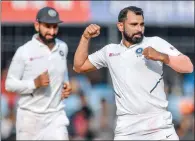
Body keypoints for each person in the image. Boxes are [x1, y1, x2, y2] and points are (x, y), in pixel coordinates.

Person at [73, 6, 193, 140]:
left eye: (142, 24)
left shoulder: (154, 42)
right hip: (127, 129)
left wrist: (163, 56)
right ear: (120, 26)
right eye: (134, 24)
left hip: (158, 126)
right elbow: (79, 66)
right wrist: (85, 37)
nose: (139, 29)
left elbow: (188, 66)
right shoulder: (109, 51)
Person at [5, 7, 72, 140]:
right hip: (29, 118)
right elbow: (9, 84)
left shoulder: (62, 47)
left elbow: (62, 72)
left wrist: (66, 84)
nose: (52, 32)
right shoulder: (24, 51)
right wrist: (34, 83)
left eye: (55, 27)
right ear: (37, 25)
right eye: (47, 27)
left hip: (55, 116)